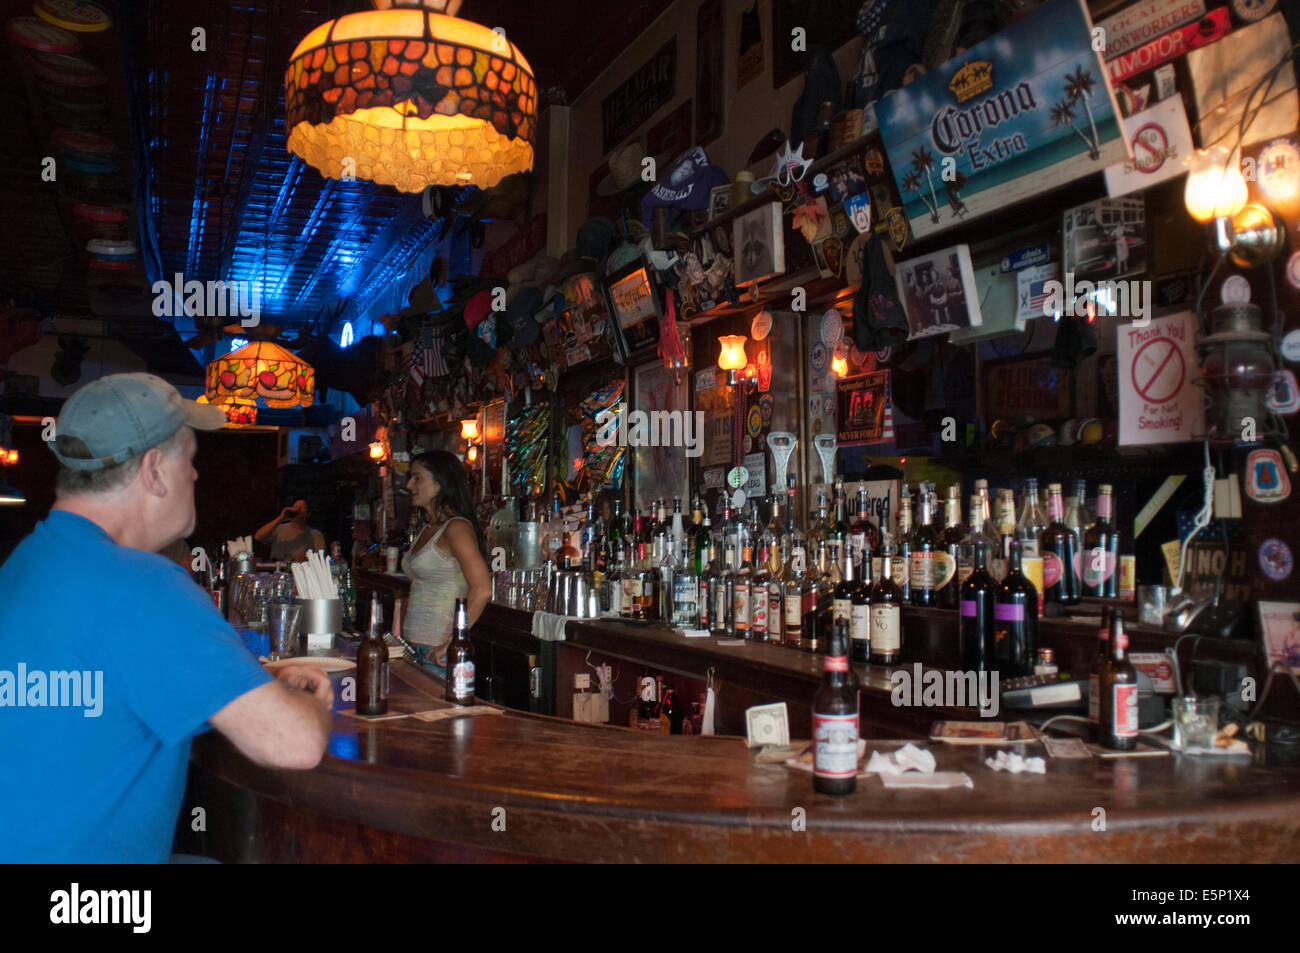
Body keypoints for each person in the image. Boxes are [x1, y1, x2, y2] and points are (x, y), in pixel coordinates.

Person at [0, 373, 333, 863]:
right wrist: (316, 700)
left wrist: (258, 680)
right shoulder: (143, 584)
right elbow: (295, 744)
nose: (196, 476)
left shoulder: (24, 561)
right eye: (191, 459)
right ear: (155, 470)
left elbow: (102, 684)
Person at [402, 451, 491, 675]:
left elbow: (482, 589)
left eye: (417, 477)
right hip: (413, 648)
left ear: (441, 482)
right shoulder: (428, 528)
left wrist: (454, 641)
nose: (409, 484)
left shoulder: (456, 528)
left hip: (437, 652)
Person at [254, 498, 325, 562]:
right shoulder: (279, 528)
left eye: (302, 508)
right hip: (278, 569)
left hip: (303, 570)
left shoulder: (315, 534)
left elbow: (320, 556)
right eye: (295, 507)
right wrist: (280, 518)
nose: (298, 510)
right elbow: (258, 537)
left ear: (308, 513)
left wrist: (308, 557)